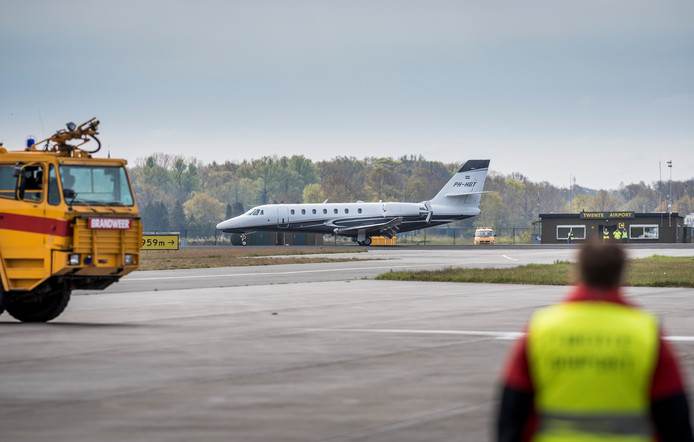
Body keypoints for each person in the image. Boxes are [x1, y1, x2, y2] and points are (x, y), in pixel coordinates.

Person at [496, 241, 693, 442]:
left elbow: (511, 413)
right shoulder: (646, 331)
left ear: (577, 273)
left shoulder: (542, 328)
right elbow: (674, 418)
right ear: (621, 274)